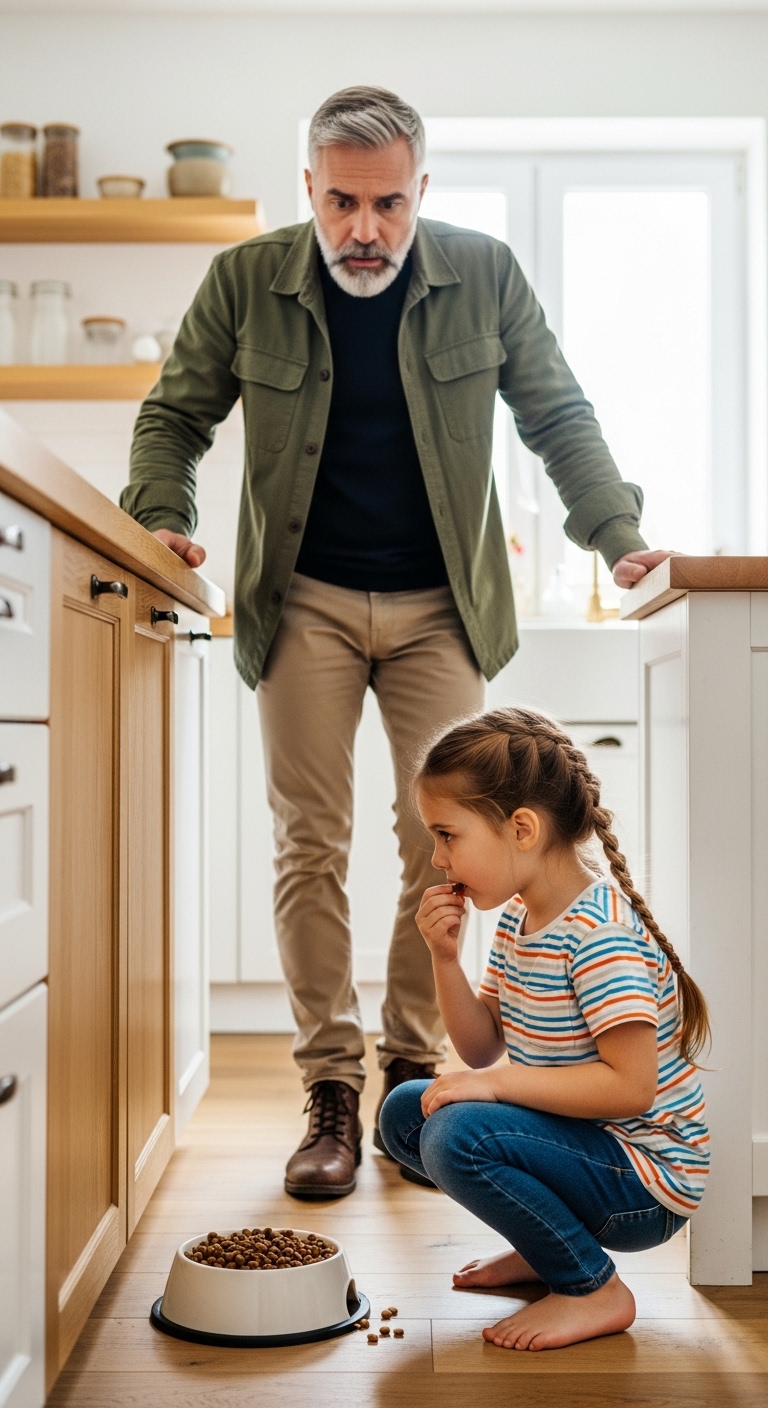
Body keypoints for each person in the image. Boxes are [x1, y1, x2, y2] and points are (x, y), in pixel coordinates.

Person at [121, 85, 672, 1201]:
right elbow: (173, 417)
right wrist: (161, 508)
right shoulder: (246, 280)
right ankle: (330, 1086)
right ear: (308, 192)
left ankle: (409, 1075)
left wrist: (615, 532)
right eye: (339, 203)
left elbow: (556, 412)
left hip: (440, 606)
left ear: (423, 190)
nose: (362, 230)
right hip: (305, 598)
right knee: (308, 842)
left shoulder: (487, 274)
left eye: (385, 202)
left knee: (447, 849)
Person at [379, 707, 710, 1351]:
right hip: (588, 1150)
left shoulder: (599, 938)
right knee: (406, 1113)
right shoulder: (520, 920)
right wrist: (445, 957)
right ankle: (546, 1245)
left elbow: (631, 1090)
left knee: (454, 1133)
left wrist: (499, 1087)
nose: (440, 860)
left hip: (643, 1179)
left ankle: (592, 1287)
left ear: (522, 828)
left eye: (448, 835)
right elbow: (480, 1049)